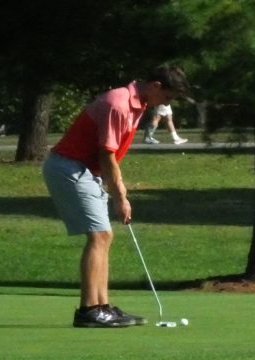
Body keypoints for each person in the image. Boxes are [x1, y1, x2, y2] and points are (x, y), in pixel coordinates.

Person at [42, 65, 190, 328]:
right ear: (155, 86)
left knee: (103, 235)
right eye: (167, 97)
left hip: (86, 169)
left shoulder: (137, 103)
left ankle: (102, 306)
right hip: (70, 167)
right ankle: (89, 310)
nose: (167, 103)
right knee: (100, 235)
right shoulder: (118, 103)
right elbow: (106, 153)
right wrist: (120, 196)